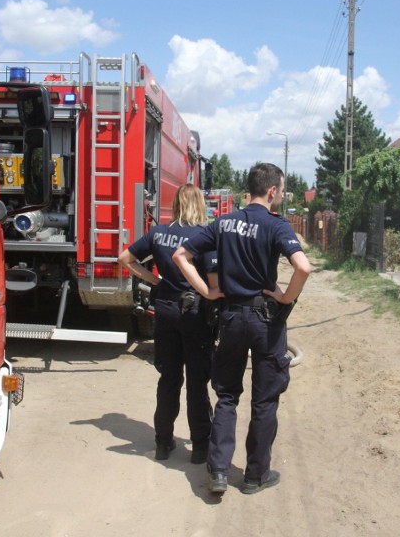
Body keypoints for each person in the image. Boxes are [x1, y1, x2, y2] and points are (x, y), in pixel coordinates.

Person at [173, 162, 311, 495]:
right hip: (266, 321)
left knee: (227, 396)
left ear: (249, 188)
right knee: (264, 400)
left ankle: (218, 471)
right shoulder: (277, 226)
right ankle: (254, 476)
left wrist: (207, 292)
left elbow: (181, 255)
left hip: (231, 318)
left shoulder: (223, 222)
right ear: (274, 191)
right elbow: (303, 267)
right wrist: (284, 298)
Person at [118, 184, 217, 464]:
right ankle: (200, 447)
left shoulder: (157, 232)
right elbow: (213, 277)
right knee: (197, 380)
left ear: (176, 204)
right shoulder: (204, 235)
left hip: (165, 309)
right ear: (199, 204)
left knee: (169, 378)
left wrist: (155, 281)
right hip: (195, 310)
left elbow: (125, 259)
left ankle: (163, 442)